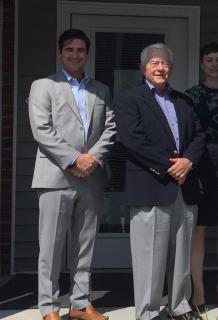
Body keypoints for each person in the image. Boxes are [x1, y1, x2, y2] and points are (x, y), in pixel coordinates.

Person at [30, 29, 116, 320]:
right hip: (55, 176)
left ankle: (80, 303)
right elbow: (42, 130)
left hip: (91, 177)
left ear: (87, 54)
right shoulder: (43, 86)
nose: (75, 55)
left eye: (81, 50)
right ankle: (49, 307)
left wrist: (92, 159)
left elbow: (110, 129)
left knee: (84, 245)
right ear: (60, 53)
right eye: (70, 49)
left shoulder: (101, 90)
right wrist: (73, 160)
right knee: (51, 247)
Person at [116, 43, 206, 320]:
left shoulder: (184, 101)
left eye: (165, 63)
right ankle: (148, 312)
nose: (160, 67)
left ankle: (179, 306)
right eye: (154, 63)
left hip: (184, 187)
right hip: (151, 186)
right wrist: (171, 166)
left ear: (172, 68)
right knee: (149, 257)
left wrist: (188, 162)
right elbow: (132, 140)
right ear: (144, 68)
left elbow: (199, 136)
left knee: (181, 255)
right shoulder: (129, 99)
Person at [186, 42, 218, 317]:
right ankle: (198, 289)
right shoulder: (191, 95)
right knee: (199, 228)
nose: (214, 64)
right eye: (209, 60)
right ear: (202, 64)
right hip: (200, 161)